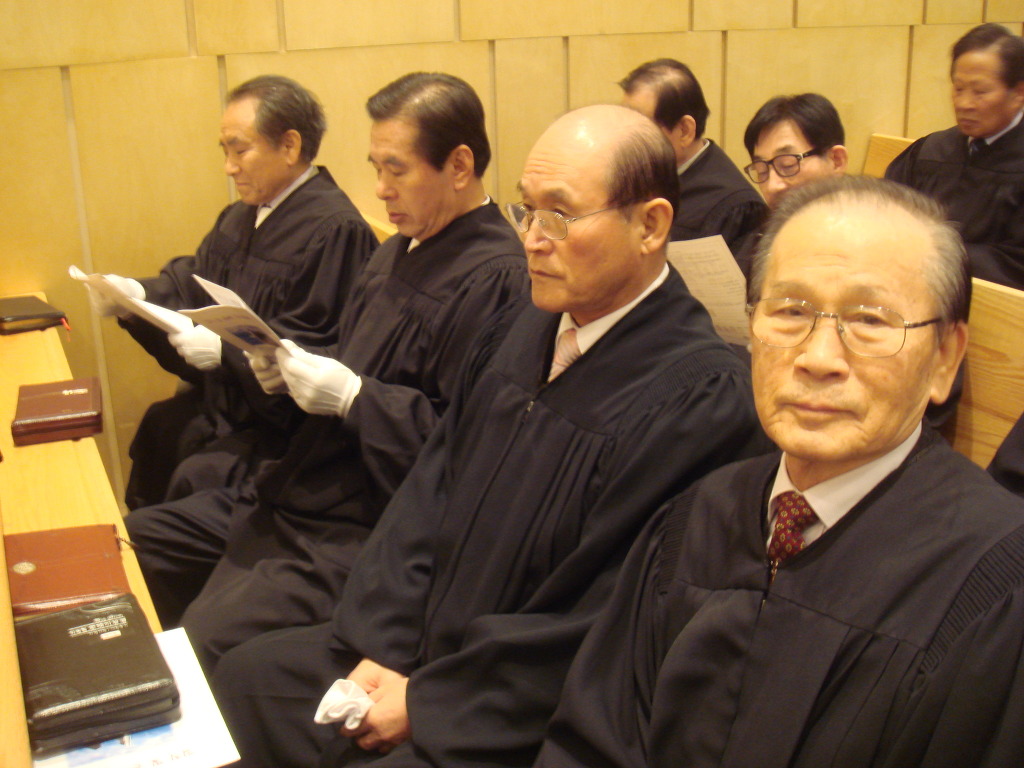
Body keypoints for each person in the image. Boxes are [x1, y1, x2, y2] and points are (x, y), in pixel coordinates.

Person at [208, 104, 771, 768]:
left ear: (650, 225)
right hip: (419, 642)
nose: (531, 238)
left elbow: (604, 615)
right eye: (525, 210)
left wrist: (431, 702)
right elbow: (431, 488)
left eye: (558, 216)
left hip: (513, 705)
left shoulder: (700, 397)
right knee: (248, 678)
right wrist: (387, 646)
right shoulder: (522, 325)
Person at [537, 176, 1024, 768]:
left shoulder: (997, 589)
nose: (818, 358)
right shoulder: (694, 519)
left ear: (944, 358)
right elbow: (590, 742)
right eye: (790, 311)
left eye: (870, 320)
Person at [125, 72, 529, 647]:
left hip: (367, 524)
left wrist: (354, 399)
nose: (381, 190)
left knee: (203, 638)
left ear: (459, 166)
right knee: (129, 545)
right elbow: (355, 353)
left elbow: (467, 445)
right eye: (376, 168)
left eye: (397, 170)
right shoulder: (398, 251)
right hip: (303, 486)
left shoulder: (497, 277)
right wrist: (288, 368)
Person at [86, 75, 377, 510]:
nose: (229, 166)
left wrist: (226, 353)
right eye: (225, 151)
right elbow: (191, 284)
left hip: (282, 435)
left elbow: (318, 344)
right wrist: (133, 298)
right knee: (161, 428)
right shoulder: (241, 216)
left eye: (240, 150)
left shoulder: (335, 231)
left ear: (290, 146)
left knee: (193, 466)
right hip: (229, 408)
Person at [887, 23, 1024, 290]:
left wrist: (933, 252)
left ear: (1018, 92)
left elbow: (1016, 265)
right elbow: (886, 214)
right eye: (958, 89)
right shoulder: (931, 151)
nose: (964, 103)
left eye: (980, 92)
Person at [619, 58, 766, 255]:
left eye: (641, 128)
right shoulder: (637, 176)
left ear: (684, 131)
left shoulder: (736, 207)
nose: (627, 139)